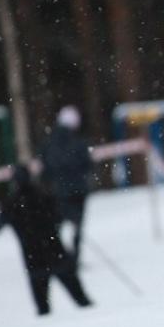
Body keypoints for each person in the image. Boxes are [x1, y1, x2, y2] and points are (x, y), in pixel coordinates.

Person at [0, 164, 93, 315]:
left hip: (34, 262)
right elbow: (63, 216)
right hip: (57, 255)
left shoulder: (10, 205)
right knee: (82, 301)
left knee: (43, 310)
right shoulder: (44, 197)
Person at [39, 105, 92, 267]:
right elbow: (88, 165)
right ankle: (74, 258)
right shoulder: (79, 142)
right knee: (77, 226)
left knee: (57, 227)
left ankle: (58, 257)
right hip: (78, 191)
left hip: (58, 192)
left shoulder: (48, 144)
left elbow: (45, 169)